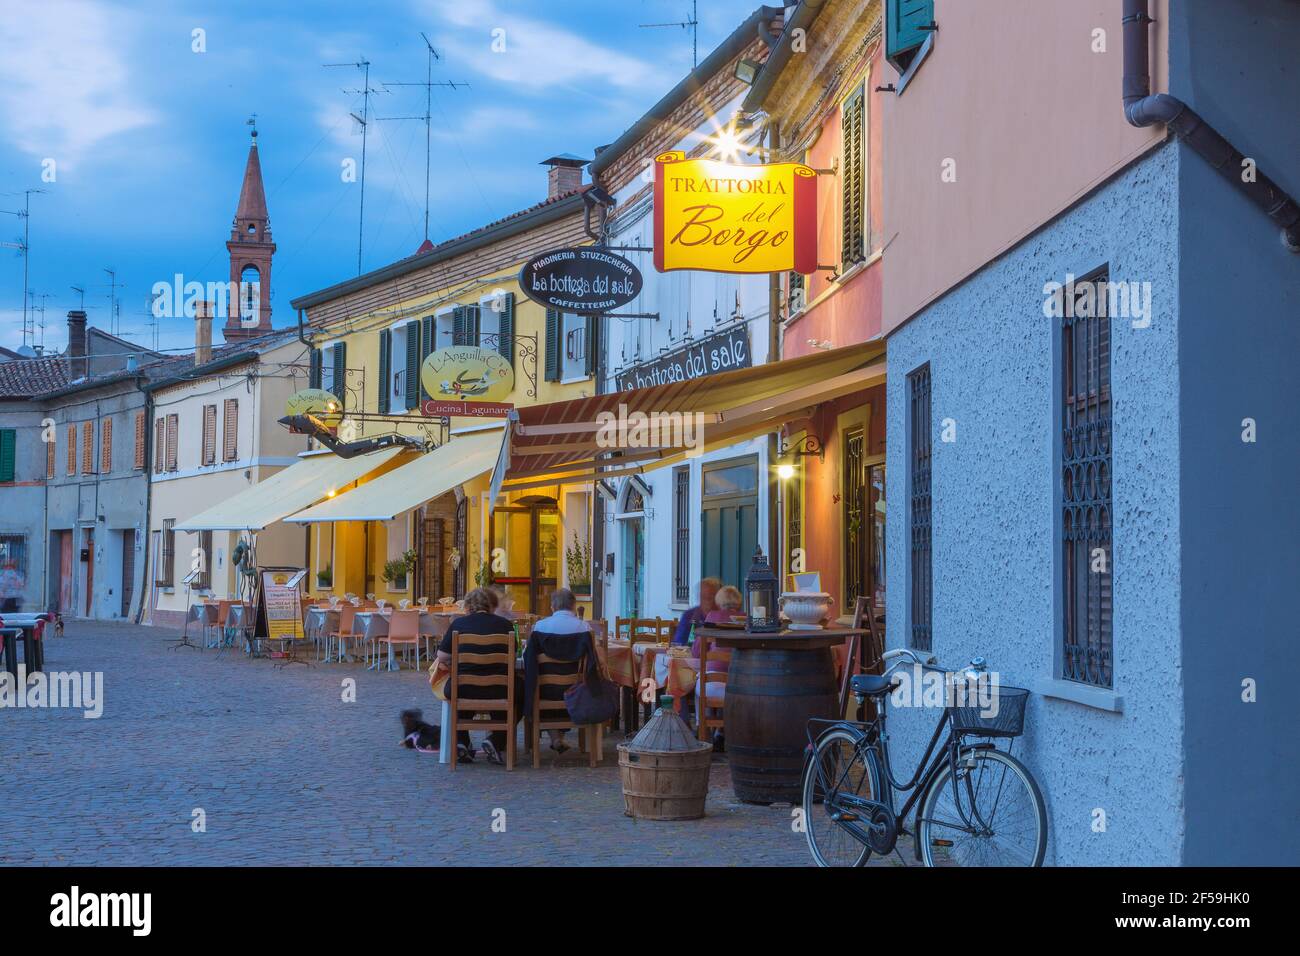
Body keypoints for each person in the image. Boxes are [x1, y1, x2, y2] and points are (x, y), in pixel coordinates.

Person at [434, 587, 521, 765]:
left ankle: (462, 741)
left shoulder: (459, 624)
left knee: (455, 690)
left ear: (468, 606)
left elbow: (442, 656)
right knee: (521, 692)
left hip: (464, 688)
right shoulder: (505, 625)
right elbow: (515, 653)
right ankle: (496, 740)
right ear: (490, 605)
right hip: (499, 689)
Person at [523, 588, 598, 754]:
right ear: (573, 606)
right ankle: (559, 738)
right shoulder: (584, 628)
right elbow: (592, 662)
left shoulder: (540, 627)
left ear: (552, 607)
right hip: (576, 691)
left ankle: (554, 738)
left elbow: (527, 658)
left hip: (544, 691)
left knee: (534, 688)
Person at [671, 577, 721, 646]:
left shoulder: (723, 617)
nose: (707, 600)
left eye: (711, 596)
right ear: (699, 596)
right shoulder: (689, 615)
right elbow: (679, 642)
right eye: (704, 596)